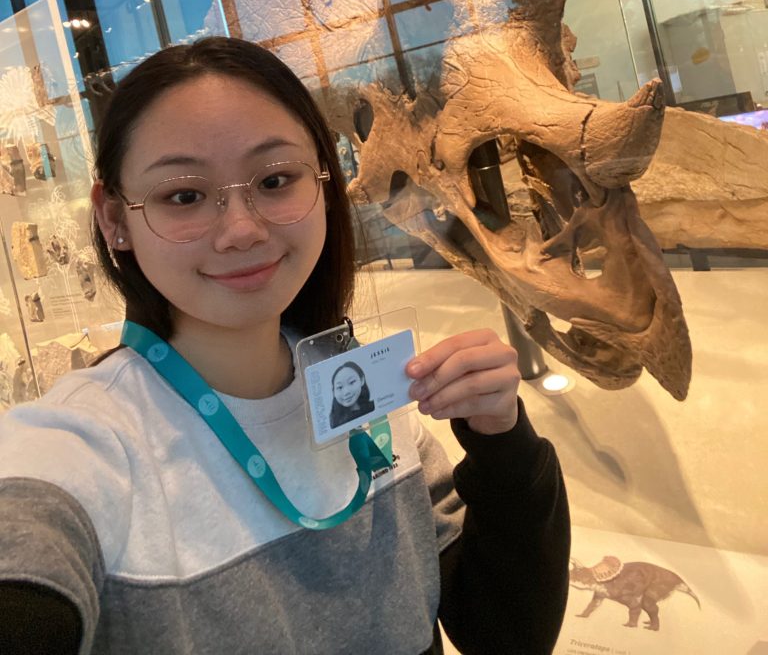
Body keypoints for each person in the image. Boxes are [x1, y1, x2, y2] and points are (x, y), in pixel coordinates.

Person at [0, 37, 570, 654]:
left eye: (275, 180)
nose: (243, 229)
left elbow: (507, 633)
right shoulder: (78, 446)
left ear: (323, 184)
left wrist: (503, 444)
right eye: (184, 196)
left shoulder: (366, 389)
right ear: (116, 219)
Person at [329, 360, 375, 428]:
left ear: (362, 380)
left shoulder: (373, 408)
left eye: (351, 382)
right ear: (333, 392)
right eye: (340, 387)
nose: (346, 392)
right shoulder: (333, 422)